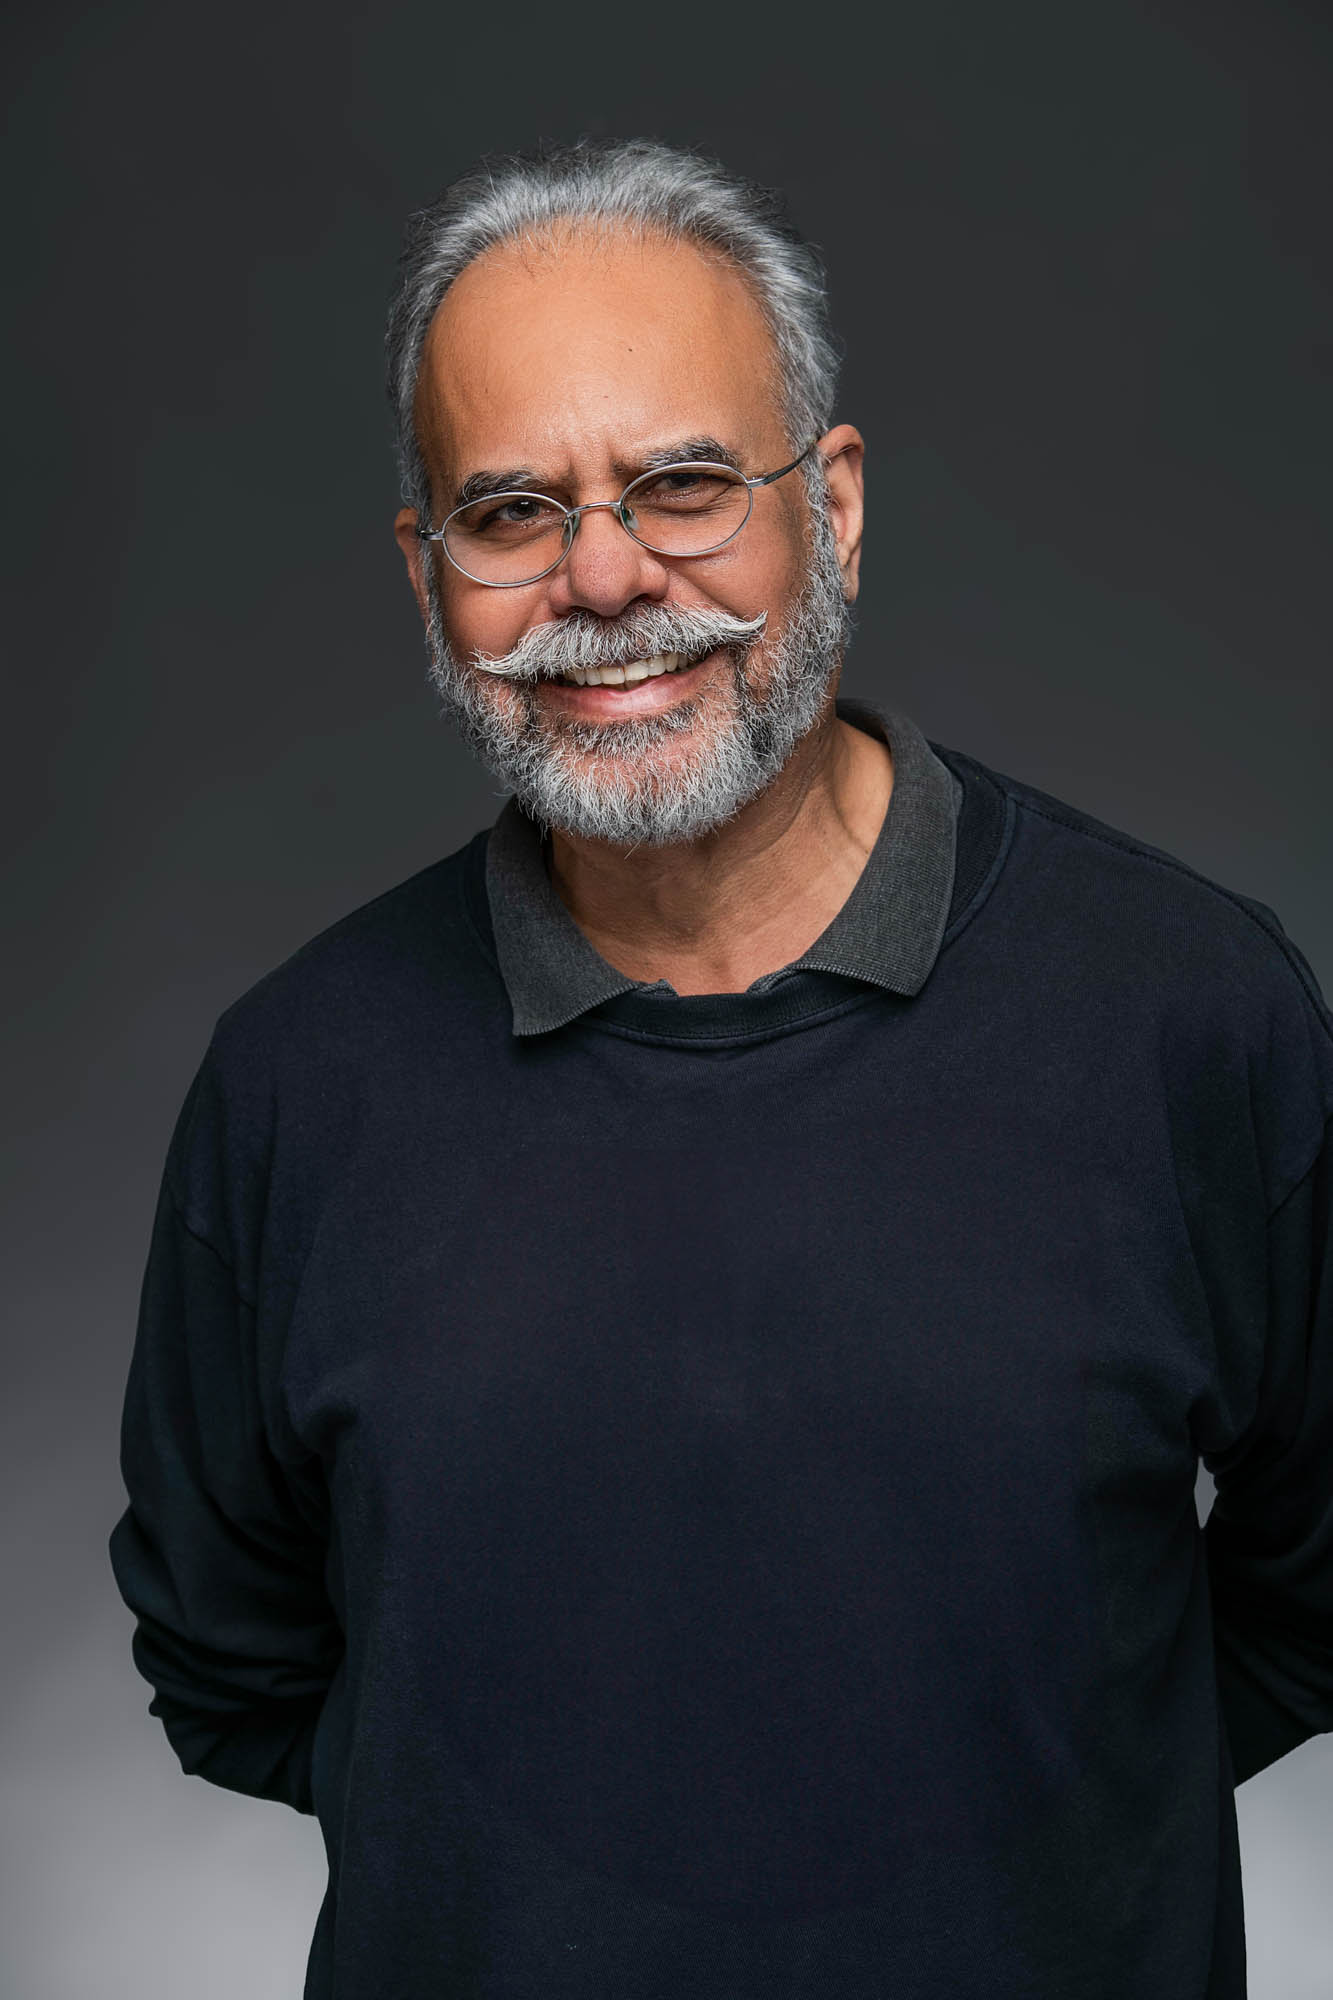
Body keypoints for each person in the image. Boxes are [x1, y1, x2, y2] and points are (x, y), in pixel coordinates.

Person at [109, 138, 1333, 1999]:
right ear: (426, 569)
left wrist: (1044, 1821)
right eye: (510, 512)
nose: (603, 577)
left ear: (831, 506)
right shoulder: (299, 1084)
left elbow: (1318, 1592)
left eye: (681, 482)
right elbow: (230, 1665)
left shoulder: (1187, 1011)